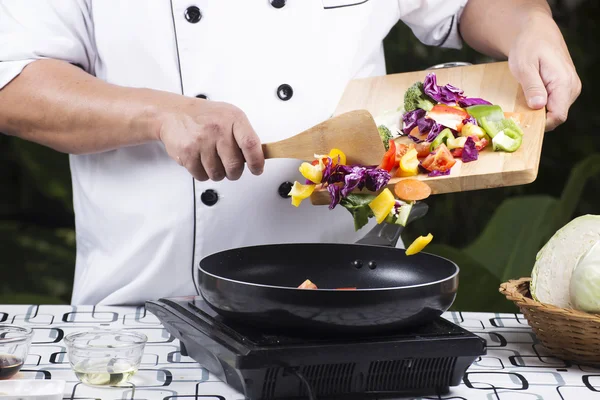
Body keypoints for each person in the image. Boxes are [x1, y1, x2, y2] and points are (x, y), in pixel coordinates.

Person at [0, 0, 580, 305]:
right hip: (148, 304)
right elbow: (14, 79)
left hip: (359, 298)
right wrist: (157, 113)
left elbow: (476, 1)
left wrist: (531, 24)